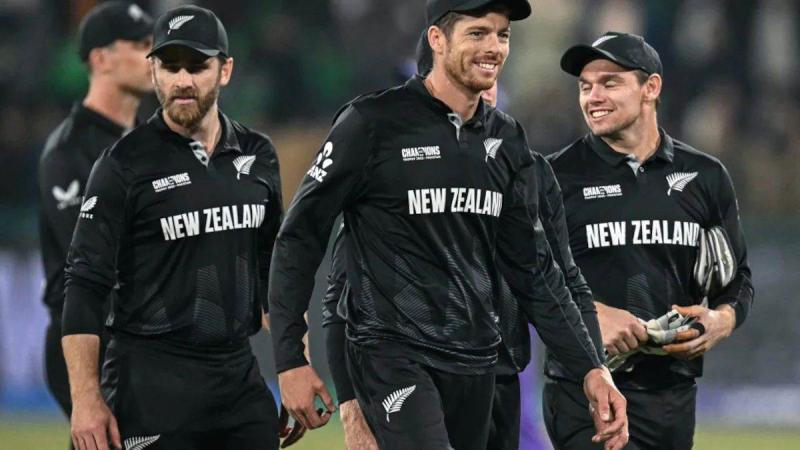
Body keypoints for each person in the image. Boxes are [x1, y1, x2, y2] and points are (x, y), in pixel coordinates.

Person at [268, 1, 628, 449]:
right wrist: (290, 360)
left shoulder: (507, 141)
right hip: (393, 357)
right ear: (437, 40)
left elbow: (534, 270)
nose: (494, 47)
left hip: (477, 366)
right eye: (478, 33)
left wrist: (591, 368)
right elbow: (299, 237)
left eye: (502, 35)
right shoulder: (373, 124)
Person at [61, 6, 284, 450]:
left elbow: (272, 272)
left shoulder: (258, 155)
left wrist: (295, 365)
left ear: (225, 71)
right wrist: (85, 399)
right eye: (169, 66)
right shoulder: (123, 165)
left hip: (237, 382)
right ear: (153, 72)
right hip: (150, 385)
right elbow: (84, 284)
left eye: (197, 66)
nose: (182, 80)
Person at [543, 31, 754, 449]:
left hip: (673, 394)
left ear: (651, 88)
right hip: (585, 390)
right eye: (585, 86)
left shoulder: (705, 177)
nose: (593, 97)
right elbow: (525, 277)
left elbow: (737, 280)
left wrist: (721, 321)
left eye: (610, 83)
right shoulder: (552, 177)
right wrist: (592, 313)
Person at [38, 2, 153, 445]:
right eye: (139, 44)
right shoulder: (68, 152)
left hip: (141, 342)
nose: (153, 55)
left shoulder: (152, 141)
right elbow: (88, 260)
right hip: (87, 342)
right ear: (101, 58)